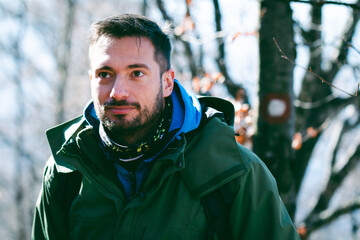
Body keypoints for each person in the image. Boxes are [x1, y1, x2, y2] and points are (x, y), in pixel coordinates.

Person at [32, 14, 300, 240]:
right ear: (92, 79)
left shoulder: (232, 173)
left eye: (137, 73)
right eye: (105, 74)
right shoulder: (66, 170)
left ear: (167, 83)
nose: (118, 92)